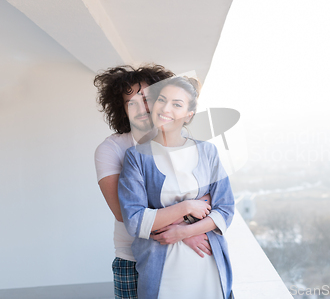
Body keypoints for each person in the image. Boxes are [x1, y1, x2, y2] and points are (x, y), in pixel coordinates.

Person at [94, 65, 213, 299]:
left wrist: (183, 230)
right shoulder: (111, 149)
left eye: (148, 100)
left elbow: (210, 196)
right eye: (131, 102)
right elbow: (124, 213)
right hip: (134, 259)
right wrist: (187, 227)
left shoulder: (186, 142)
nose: (141, 108)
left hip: (187, 256)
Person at [118, 76, 235, 299]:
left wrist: (184, 232)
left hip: (206, 261)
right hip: (161, 267)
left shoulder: (208, 152)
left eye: (177, 104)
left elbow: (226, 208)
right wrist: (187, 207)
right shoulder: (136, 158)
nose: (166, 108)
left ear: (188, 115)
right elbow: (134, 220)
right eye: (162, 100)